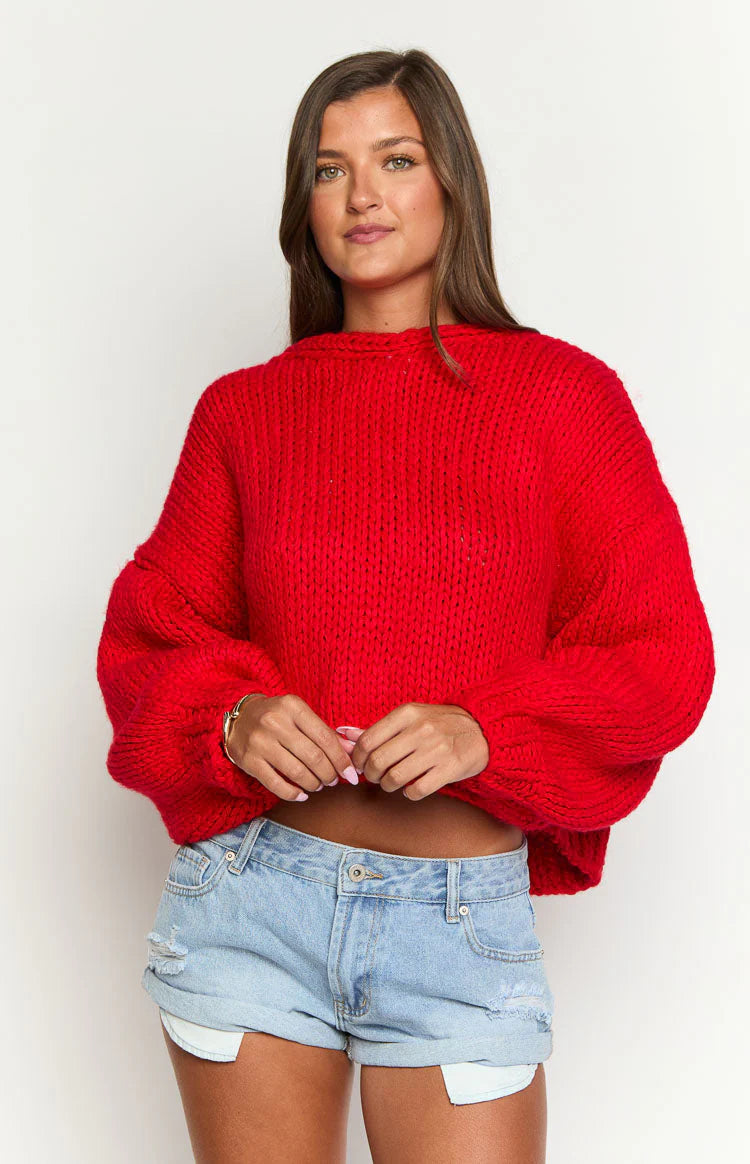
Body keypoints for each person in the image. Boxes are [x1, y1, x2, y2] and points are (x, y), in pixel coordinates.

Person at [96, 48, 715, 1164]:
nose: (362, 195)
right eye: (328, 169)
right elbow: (152, 632)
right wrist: (230, 718)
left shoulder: (564, 400)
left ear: (452, 183)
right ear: (304, 206)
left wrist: (488, 731)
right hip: (252, 905)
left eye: (396, 159)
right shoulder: (245, 413)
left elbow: (660, 653)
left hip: (458, 924)